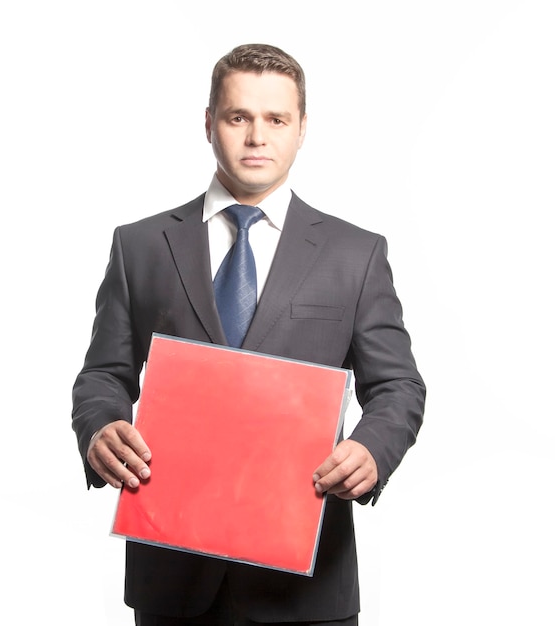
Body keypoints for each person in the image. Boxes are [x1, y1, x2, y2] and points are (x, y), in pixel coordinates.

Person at [72, 43, 425, 626]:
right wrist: (101, 424)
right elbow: (104, 373)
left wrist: (372, 450)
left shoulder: (355, 255)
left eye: (276, 119)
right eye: (239, 117)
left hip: (308, 577)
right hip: (173, 573)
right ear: (209, 124)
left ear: (302, 128)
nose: (257, 136)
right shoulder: (139, 247)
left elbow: (398, 386)